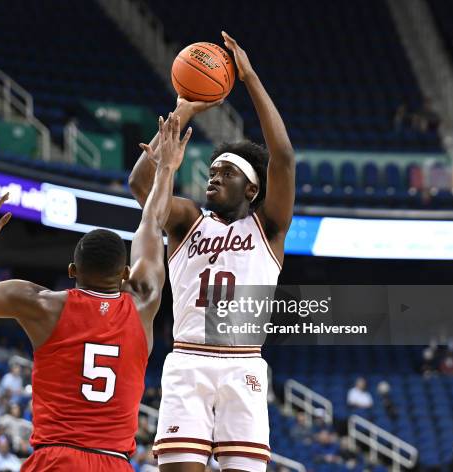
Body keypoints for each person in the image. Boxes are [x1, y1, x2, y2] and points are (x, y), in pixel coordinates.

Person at [0, 115, 193, 471]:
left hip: (56, 458)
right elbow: (151, 222)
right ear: (126, 274)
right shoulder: (144, 301)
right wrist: (166, 169)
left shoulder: (41, 303)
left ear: (72, 272)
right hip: (114, 463)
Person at [129, 31, 294, 472]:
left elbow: (283, 159)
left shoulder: (269, 228)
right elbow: (141, 188)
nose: (213, 178)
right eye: (211, 171)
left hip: (243, 364)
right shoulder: (186, 222)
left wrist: (251, 78)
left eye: (225, 173)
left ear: (252, 188)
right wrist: (183, 111)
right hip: (188, 359)